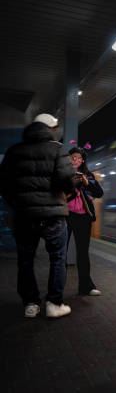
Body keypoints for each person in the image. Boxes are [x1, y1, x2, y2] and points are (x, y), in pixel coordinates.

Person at [0, 113, 75, 318]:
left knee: (25, 260)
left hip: (24, 215)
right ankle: (54, 303)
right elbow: (68, 180)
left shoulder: (14, 151)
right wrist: (64, 194)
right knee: (57, 258)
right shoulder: (57, 150)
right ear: (50, 129)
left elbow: (4, 184)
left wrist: (18, 204)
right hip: (53, 216)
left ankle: (30, 304)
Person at [66, 143, 104, 296]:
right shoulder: (62, 173)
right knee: (61, 253)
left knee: (83, 253)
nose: (75, 160)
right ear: (69, 159)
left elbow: (99, 193)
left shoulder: (88, 175)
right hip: (65, 216)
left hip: (83, 217)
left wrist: (87, 183)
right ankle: (56, 288)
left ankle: (86, 287)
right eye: (72, 157)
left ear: (82, 160)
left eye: (78, 158)